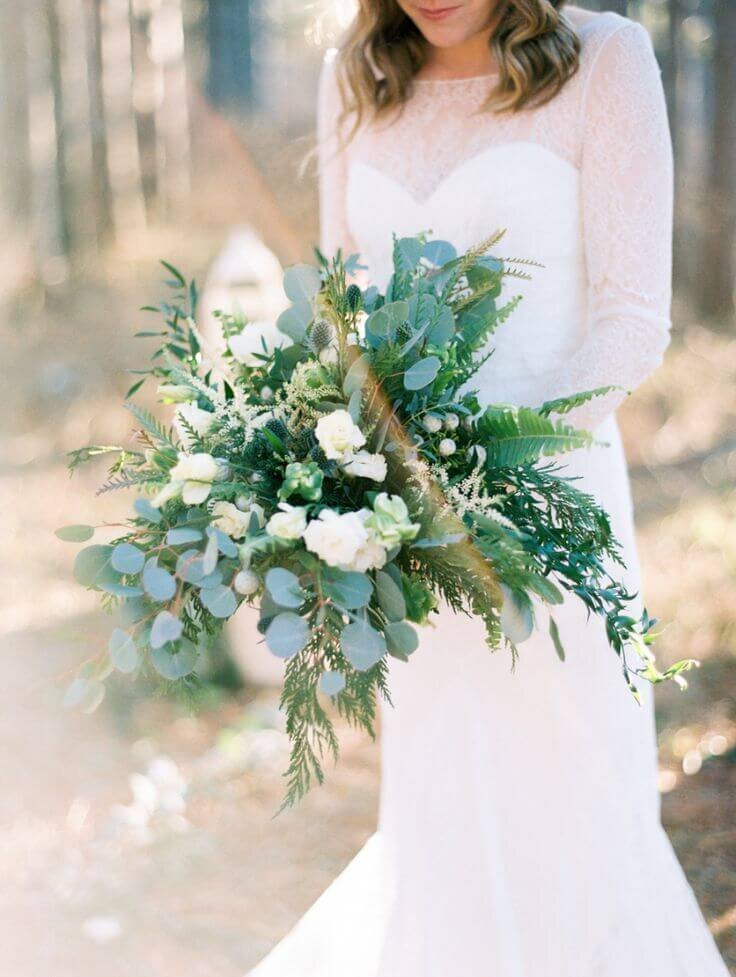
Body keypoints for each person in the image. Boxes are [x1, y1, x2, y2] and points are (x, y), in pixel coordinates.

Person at [249, 3, 729, 974]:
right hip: (407, 535)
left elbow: (631, 319)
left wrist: (495, 474)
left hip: (551, 520)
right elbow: (342, 316)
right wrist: (333, 473)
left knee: (575, 809)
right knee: (445, 816)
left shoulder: (606, 61)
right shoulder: (354, 75)